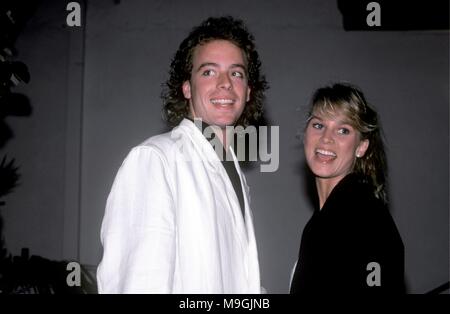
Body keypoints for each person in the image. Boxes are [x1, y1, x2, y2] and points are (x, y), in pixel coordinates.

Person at [96, 16, 268, 293]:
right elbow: (141, 283)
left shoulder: (233, 173)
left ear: (248, 92)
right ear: (187, 87)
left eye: (236, 73)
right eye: (209, 72)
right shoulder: (156, 160)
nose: (225, 83)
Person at [290, 83, 405, 293]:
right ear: (305, 134)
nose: (326, 138)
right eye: (318, 125)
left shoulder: (366, 216)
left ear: (361, 147)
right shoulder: (319, 222)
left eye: (343, 130)